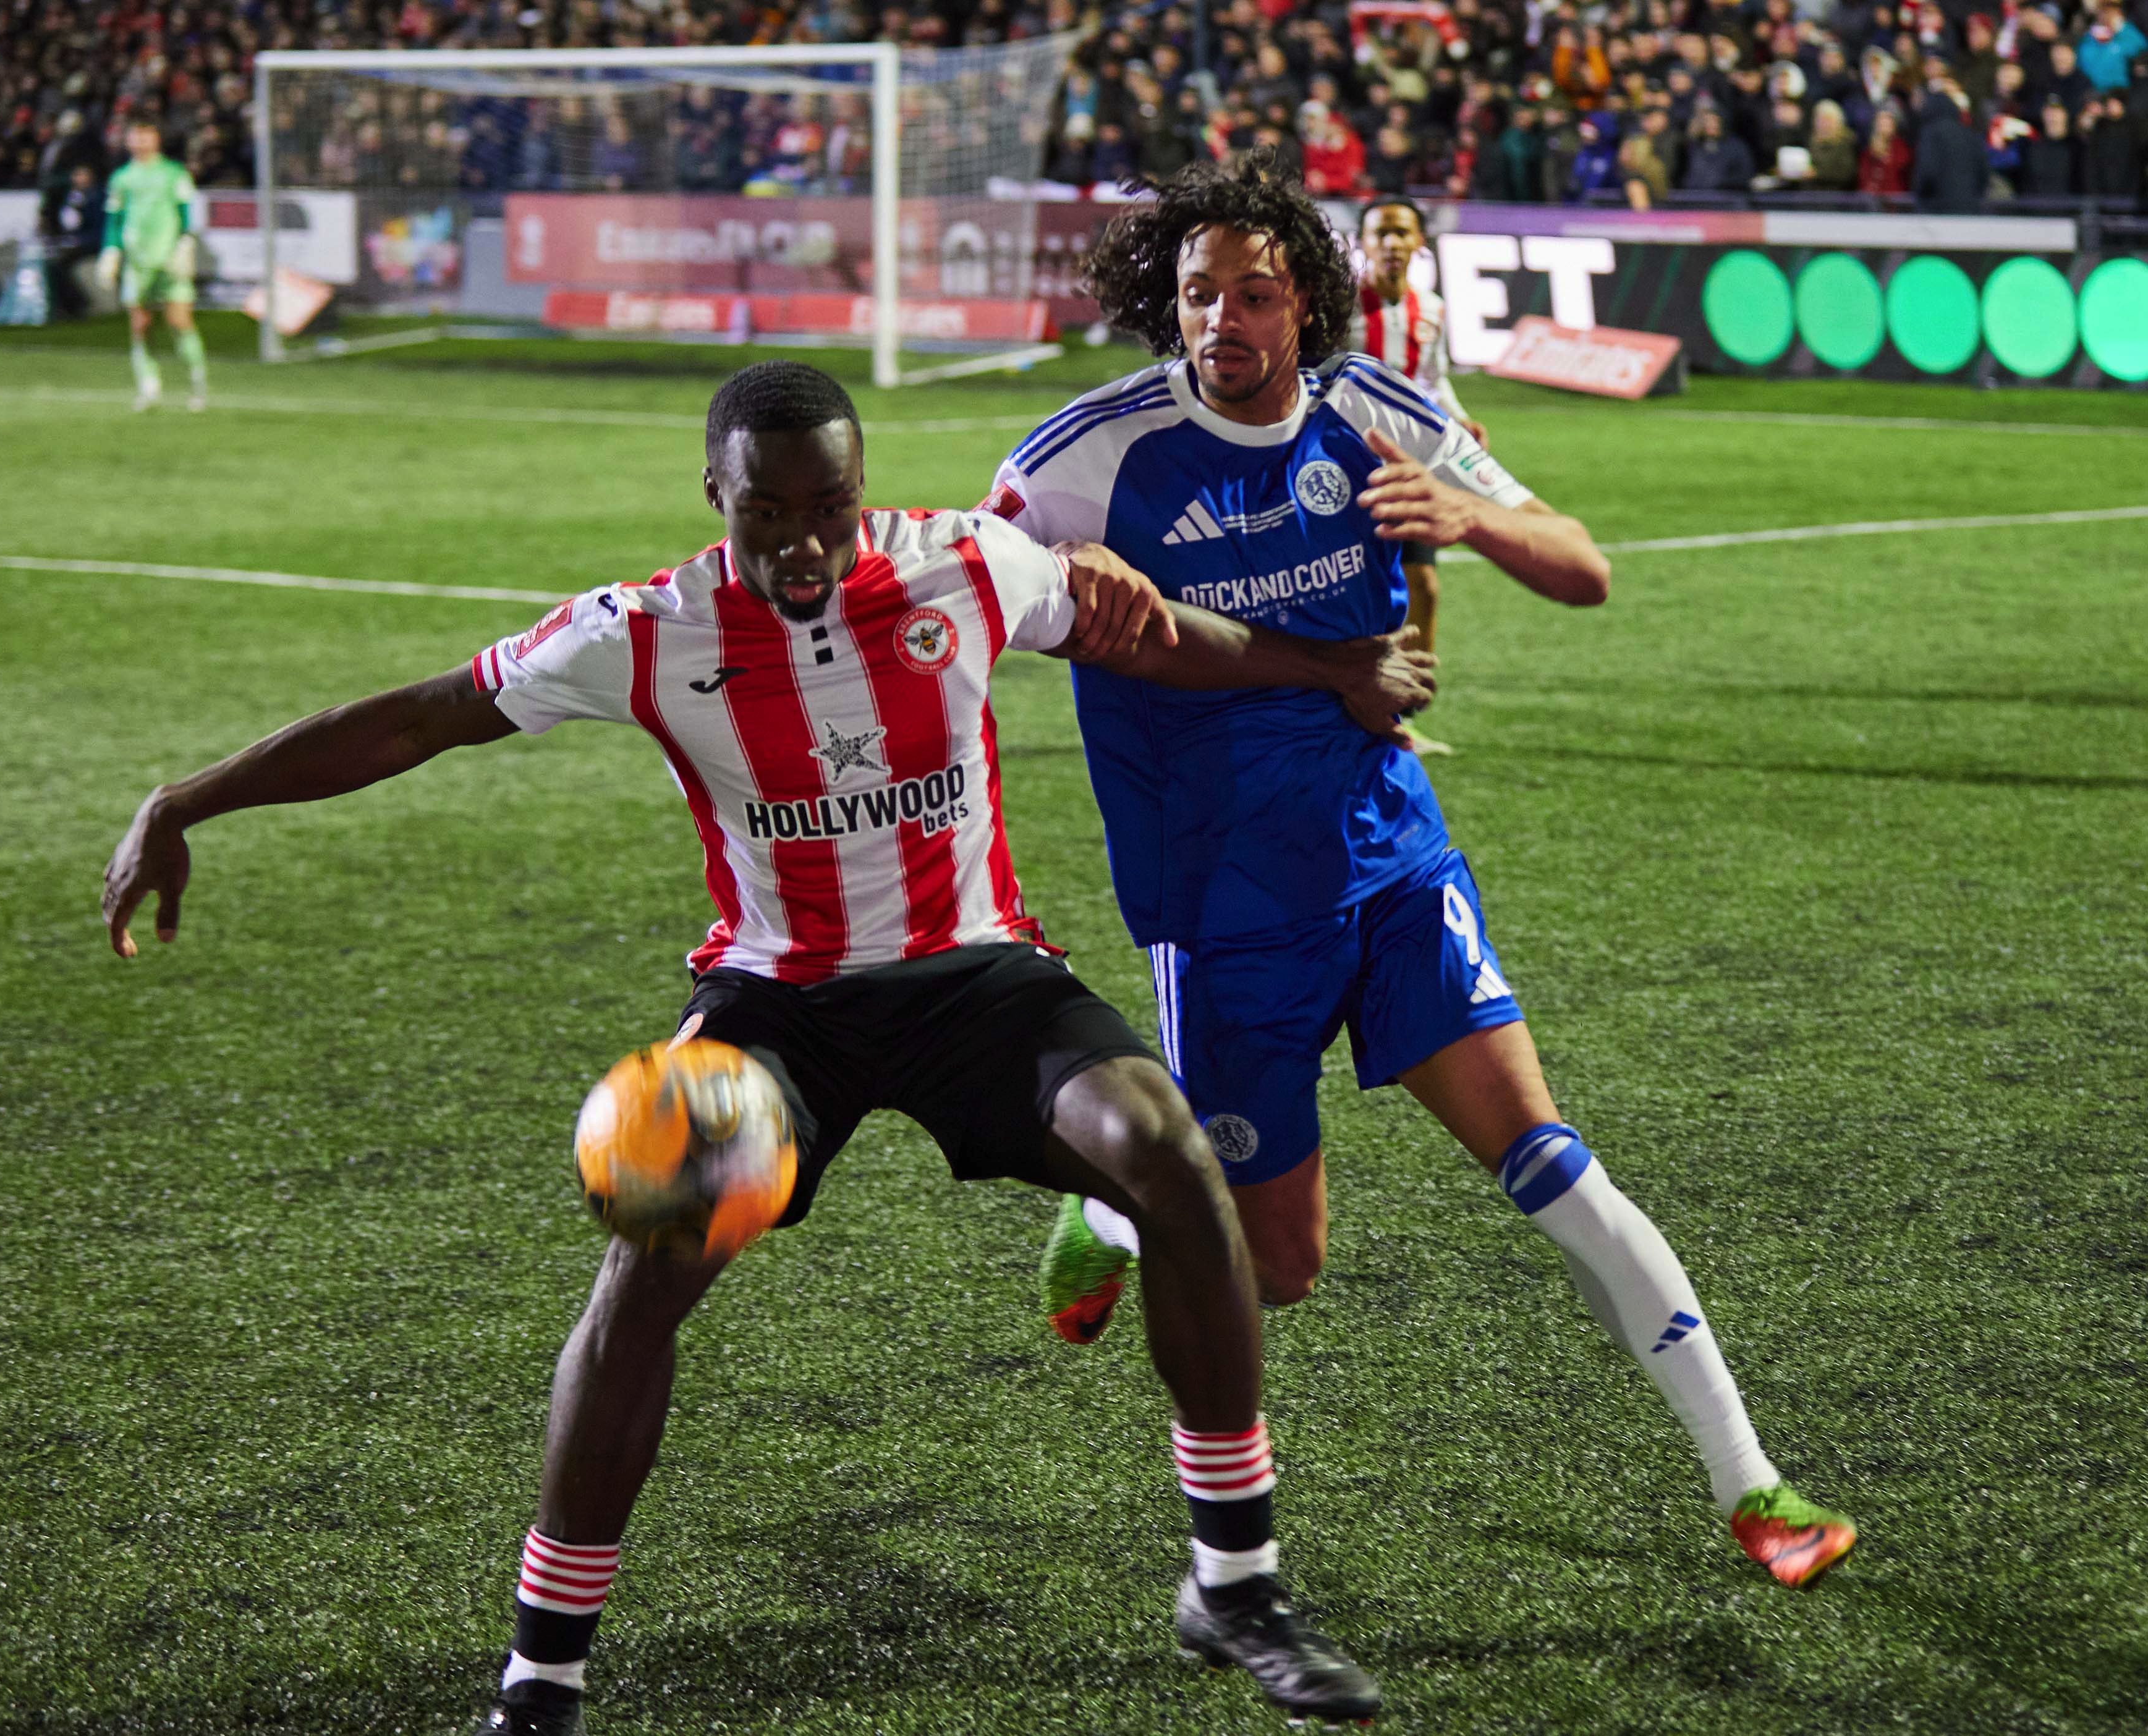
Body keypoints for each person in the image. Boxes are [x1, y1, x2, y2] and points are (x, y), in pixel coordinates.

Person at [99, 361, 1439, 1734]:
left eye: (829, 506)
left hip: (977, 976)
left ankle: (1234, 1585)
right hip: (776, 1000)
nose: (803, 541)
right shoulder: (645, 631)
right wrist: (186, 800)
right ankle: (541, 1678)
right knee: (651, 1254)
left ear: (862, 489)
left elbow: (1147, 633)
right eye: (767, 512)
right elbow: (421, 715)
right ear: (715, 496)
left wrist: (1330, 664)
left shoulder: (969, 566)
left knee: (1169, 1157)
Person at [995, 153, 1858, 1594]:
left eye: (1254, 294)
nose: (1222, 320)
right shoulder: (1084, 459)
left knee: (1546, 1154)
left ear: (1305, 302)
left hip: (1392, 859)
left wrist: (1475, 518)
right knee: (1281, 1269)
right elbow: (962, 601)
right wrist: (1063, 604)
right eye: (1198, 293)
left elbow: (1580, 566)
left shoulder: (1377, 411)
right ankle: (1113, 1203)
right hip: (1220, 907)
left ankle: (1751, 1483)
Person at [1347, 195, 1488, 755]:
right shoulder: (1338, 304)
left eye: (1401, 232)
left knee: (1423, 585)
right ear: (1363, 242)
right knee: (1354, 588)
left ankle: (1404, 712)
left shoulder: (1429, 309)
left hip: (1408, 468)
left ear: (1418, 243)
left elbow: (1431, 378)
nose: (1390, 243)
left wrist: (1459, 419)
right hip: (1343, 466)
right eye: (1380, 232)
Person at [98, 119, 207, 412]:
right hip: (138, 263)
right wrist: (111, 251)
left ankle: (197, 383)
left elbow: (186, 213)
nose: (140, 141)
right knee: (140, 325)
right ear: (128, 140)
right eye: (135, 136)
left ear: (157, 139)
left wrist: (185, 244)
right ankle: (149, 388)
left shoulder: (174, 174)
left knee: (179, 322)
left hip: (170, 261)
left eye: (146, 136)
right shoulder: (122, 178)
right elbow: (114, 219)